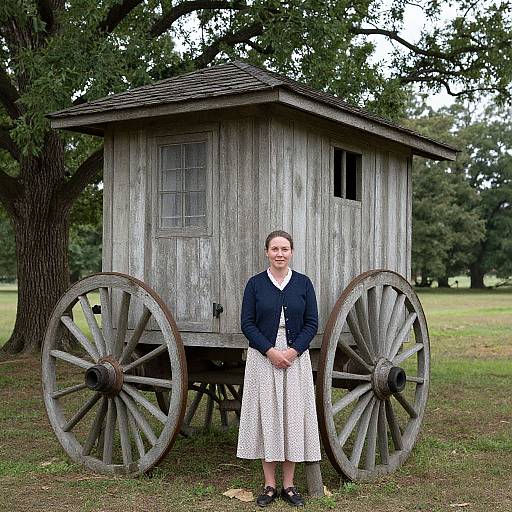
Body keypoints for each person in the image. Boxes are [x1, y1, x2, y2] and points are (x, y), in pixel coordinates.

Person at [237, 230, 321, 507]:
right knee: (269, 417)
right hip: (264, 357)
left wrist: (293, 351)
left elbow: (312, 323)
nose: (280, 254)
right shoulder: (255, 284)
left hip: (296, 356)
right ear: (266, 252)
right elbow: (247, 323)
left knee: (292, 417)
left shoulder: (303, 284)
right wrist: (270, 351)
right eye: (275, 249)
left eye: (284, 249)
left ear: (292, 252)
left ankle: (289, 485)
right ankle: (269, 485)